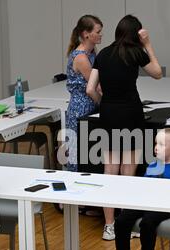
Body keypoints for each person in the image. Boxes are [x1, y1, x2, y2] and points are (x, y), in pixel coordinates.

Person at [87, 15, 163, 240]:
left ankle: (109, 226)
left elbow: (91, 89)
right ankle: (125, 224)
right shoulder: (136, 52)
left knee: (110, 170)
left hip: (109, 113)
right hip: (131, 112)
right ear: (135, 34)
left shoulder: (103, 54)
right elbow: (158, 73)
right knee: (128, 170)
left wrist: (105, 104)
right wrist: (148, 44)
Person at [65, 14, 103, 173]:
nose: (101, 35)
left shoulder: (92, 52)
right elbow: (96, 87)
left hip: (89, 106)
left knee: (88, 154)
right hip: (81, 110)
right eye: (98, 31)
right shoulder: (81, 57)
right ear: (87, 34)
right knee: (77, 155)